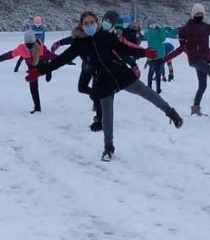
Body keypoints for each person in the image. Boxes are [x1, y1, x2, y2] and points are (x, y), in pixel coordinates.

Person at [39, 11, 183, 161]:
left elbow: (124, 48)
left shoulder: (106, 36)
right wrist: (41, 71)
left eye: (92, 22)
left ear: (97, 23)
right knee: (107, 116)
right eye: (86, 23)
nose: (89, 26)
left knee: (146, 91)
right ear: (81, 25)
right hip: (103, 80)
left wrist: (143, 52)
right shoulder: (79, 44)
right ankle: (108, 148)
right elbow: (61, 59)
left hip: (119, 72)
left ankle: (171, 113)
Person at [0, 30, 58, 113]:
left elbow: (51, 56)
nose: (30, 49)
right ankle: (37, 108)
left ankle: (48, 71)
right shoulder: (21, 48)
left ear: (34, 42)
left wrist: (66, 59)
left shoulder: (41, 48)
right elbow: (9, 55)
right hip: (32, 68)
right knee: (33, 88)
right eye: (28, 46)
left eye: (31, 46)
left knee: (46, 65)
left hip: (43, 64)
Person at [144, 22, 179, 93]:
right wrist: (162, 29)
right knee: (158, 72)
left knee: (151, 72)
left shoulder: (147, 32)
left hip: (151, 55)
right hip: (160, 55)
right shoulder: (159, 33)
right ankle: (158, 88)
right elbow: (163, 38)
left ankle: (149, 88)